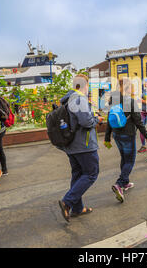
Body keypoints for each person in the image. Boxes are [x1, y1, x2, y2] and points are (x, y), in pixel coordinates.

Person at [58, 74, 105, 222]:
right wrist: (97, 119)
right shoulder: (79, 98)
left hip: (72, 145)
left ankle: (77, 208)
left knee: (78, 175)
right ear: (85, 85)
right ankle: (67, 201)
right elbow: (86, 121)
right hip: (83, 145)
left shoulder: (68, 99)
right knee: (91, 173)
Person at [104, 78, 147, 203]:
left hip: (116, 134)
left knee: (124, 158)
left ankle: (125, 183)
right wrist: (146, 135)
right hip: (128, 134)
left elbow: (109, 119)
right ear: (128, 87)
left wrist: (107, 137)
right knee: (130, 160)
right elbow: (137, 120)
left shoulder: (113, 99)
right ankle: (119, 184)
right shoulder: (131, 101)